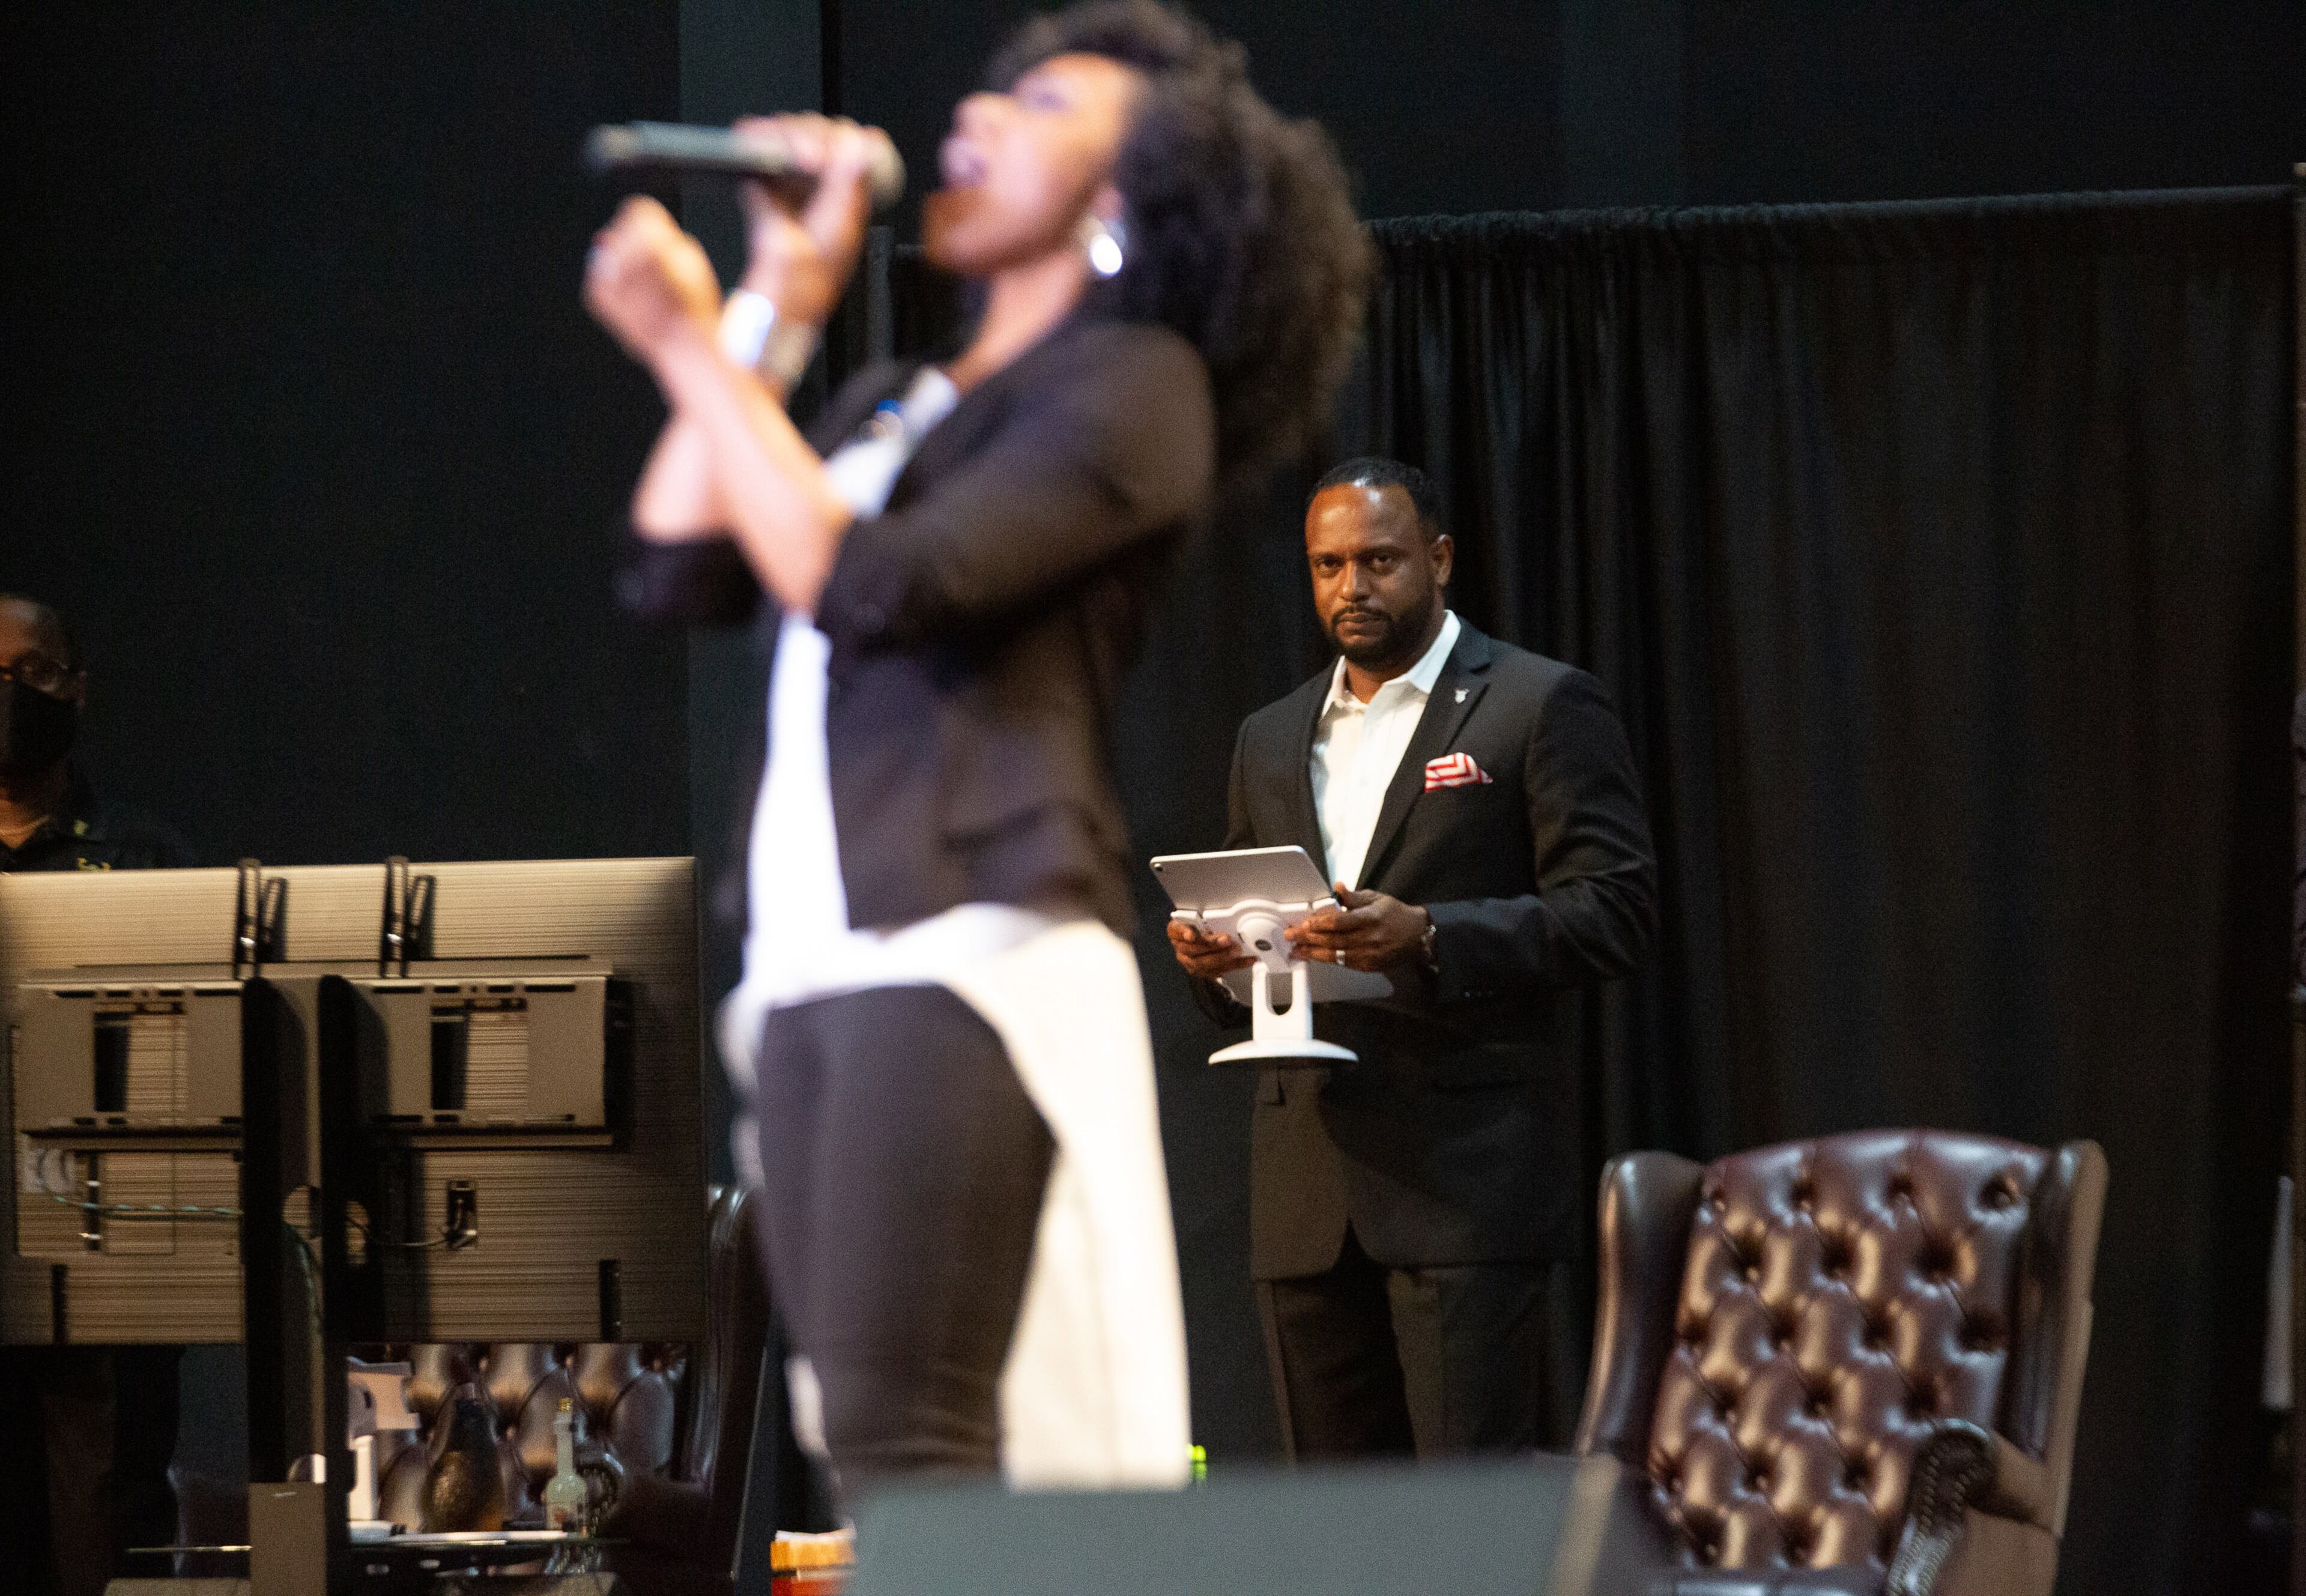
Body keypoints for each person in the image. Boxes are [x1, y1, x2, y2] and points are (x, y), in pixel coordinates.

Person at [583, 1, 1368, 1500]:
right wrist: (773, 302)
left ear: (1127, 196)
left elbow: (875, 586)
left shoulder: (1136, 387)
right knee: (863, 1451)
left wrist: (689, 347)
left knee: (913, 1443)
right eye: (993, 96)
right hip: (812, 960)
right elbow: (679, 558)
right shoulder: (893, 404)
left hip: (962, 946)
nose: (979, 117)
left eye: (1048, 107)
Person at [1167, 458, 1656, 1461]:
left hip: (1463, 1188)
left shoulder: (1537, 704)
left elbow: (1615, 911)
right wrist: (1214, 961)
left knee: (1462, 1525)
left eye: (1380, 561)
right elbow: (1256, 960)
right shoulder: (1269, 737)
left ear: (1438, 558)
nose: (1352, 586)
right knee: (1339, 1529)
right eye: (1329, 565)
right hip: (1306, 1194)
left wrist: (1432, 933)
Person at [0, 593, 193, 1596]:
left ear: (76, 690)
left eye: (31, 672)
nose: (10, 694)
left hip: (110, 1285)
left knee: (103, 1557)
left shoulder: (146, 858)